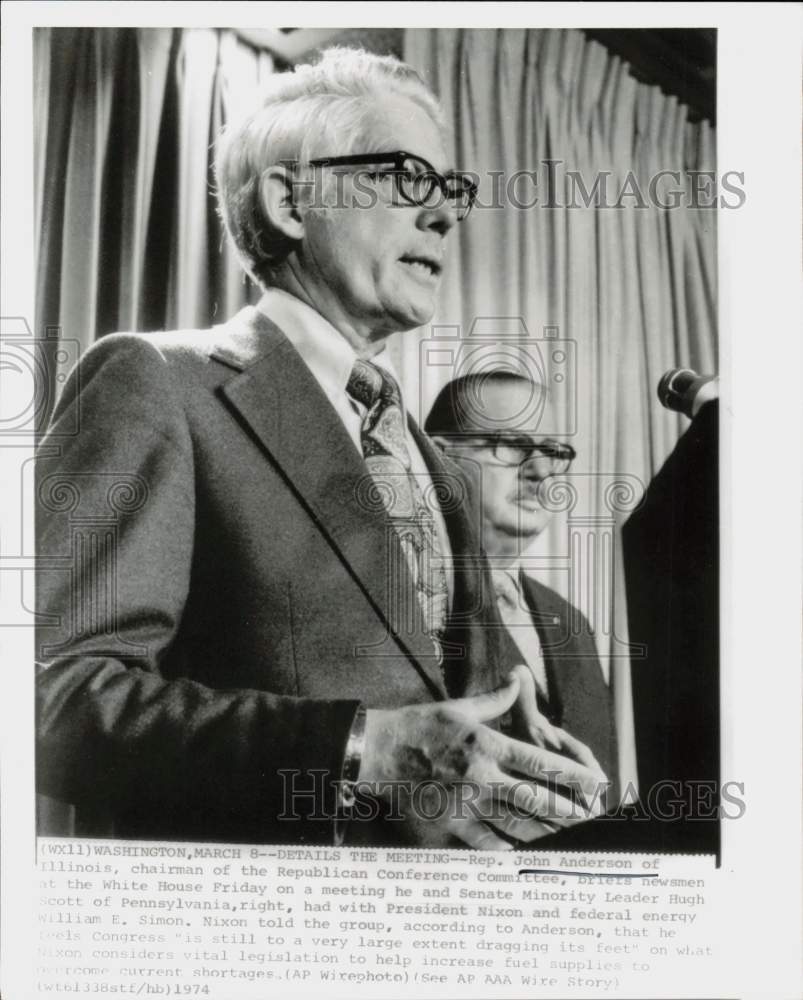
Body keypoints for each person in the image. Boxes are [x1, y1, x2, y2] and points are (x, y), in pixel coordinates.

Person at [35, 48, 606, 849]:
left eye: (451, 192)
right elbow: (53, 700)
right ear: (290, 202)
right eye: (409, 180)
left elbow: (436, 707)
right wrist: (354, 750)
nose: (444, 215)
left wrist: (515, 755)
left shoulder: (431, 460)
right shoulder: (155, 382)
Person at [425, 372, 618, 796]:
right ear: (440, 459)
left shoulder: (573, 623)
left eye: (553, 451)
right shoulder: (397, 600)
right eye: (513, 445)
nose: (541, 470)